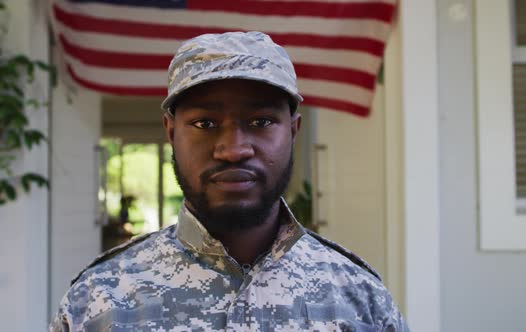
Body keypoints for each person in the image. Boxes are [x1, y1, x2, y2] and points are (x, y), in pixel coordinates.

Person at [50, 31, 409, 332]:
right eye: (205, 124)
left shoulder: (359, 300)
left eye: (261, 122)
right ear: (171, 132)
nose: (233, 150)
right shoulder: (99, 301)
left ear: (294, 131)